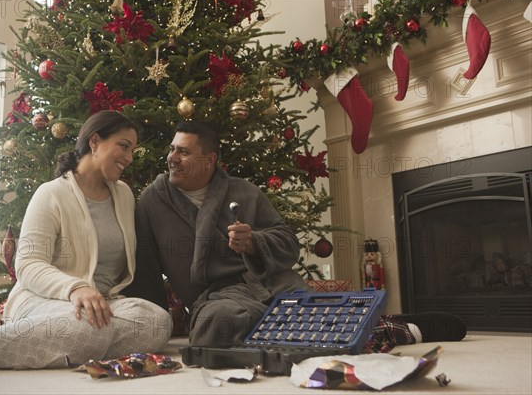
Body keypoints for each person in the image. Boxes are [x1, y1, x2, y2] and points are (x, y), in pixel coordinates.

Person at [122, 120, 467, 350]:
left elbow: (288, 245)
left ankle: (404, 329)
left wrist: (255, 242)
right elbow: (145, 264)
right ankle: (377, 329)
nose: (172, 158)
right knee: (220, 324)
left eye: (183, 152)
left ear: (209, 159)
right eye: (172, 149)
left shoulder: (245, 192)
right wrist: (153, 324)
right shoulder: (153, 201)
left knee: (306, 308)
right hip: (217, 299)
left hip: (274, 285)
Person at [0, 110, 172, 374]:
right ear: (94, 142)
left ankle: (71, 344)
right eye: (123, 146)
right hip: (39, 299)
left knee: (157, 322)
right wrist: (75, 289)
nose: (128, 158)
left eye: (131, 150)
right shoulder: (51, 193)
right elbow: (28, 264)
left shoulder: (124, 195)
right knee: (88, 328)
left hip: (103, 303)